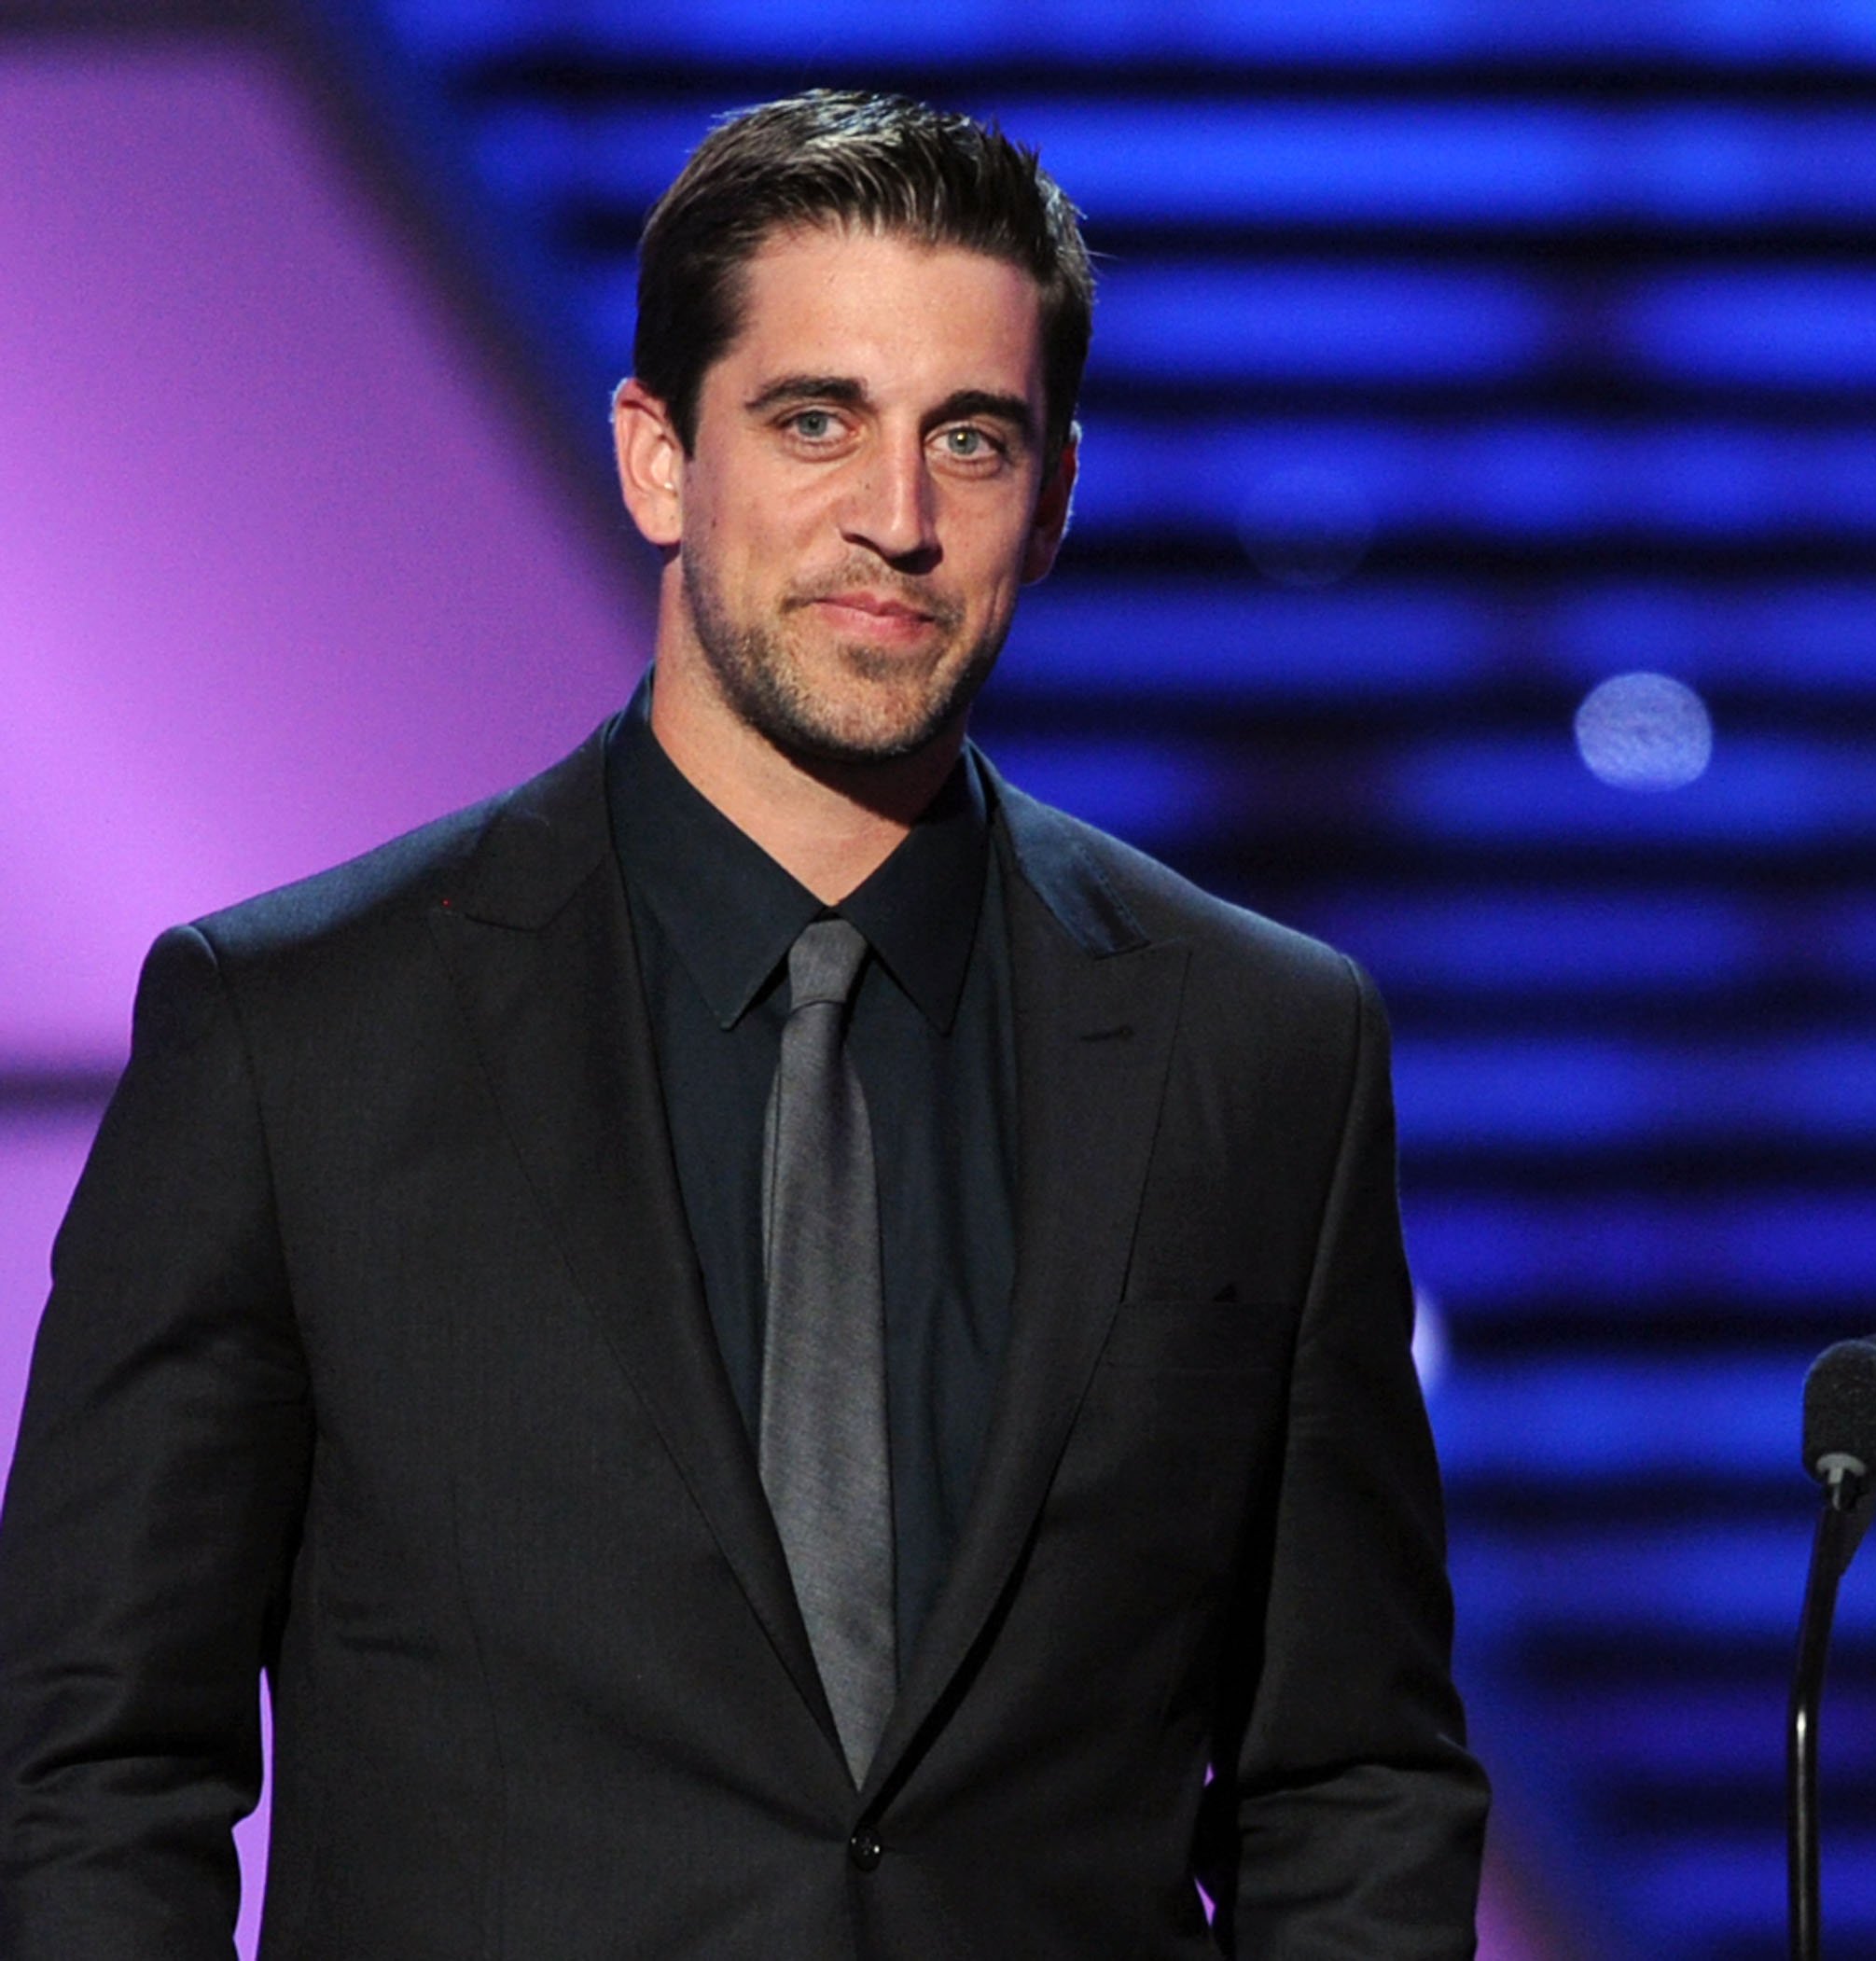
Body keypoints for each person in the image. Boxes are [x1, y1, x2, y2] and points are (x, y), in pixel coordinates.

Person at [0, 90, 1485, 1956]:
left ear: (1061, 493)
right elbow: (93, 1764)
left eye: (974, 436)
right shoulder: (296, 1031)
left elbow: (1350, 1780)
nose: (898, 518)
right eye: (815, 421)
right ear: (655, 459)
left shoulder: (1259, 1049)